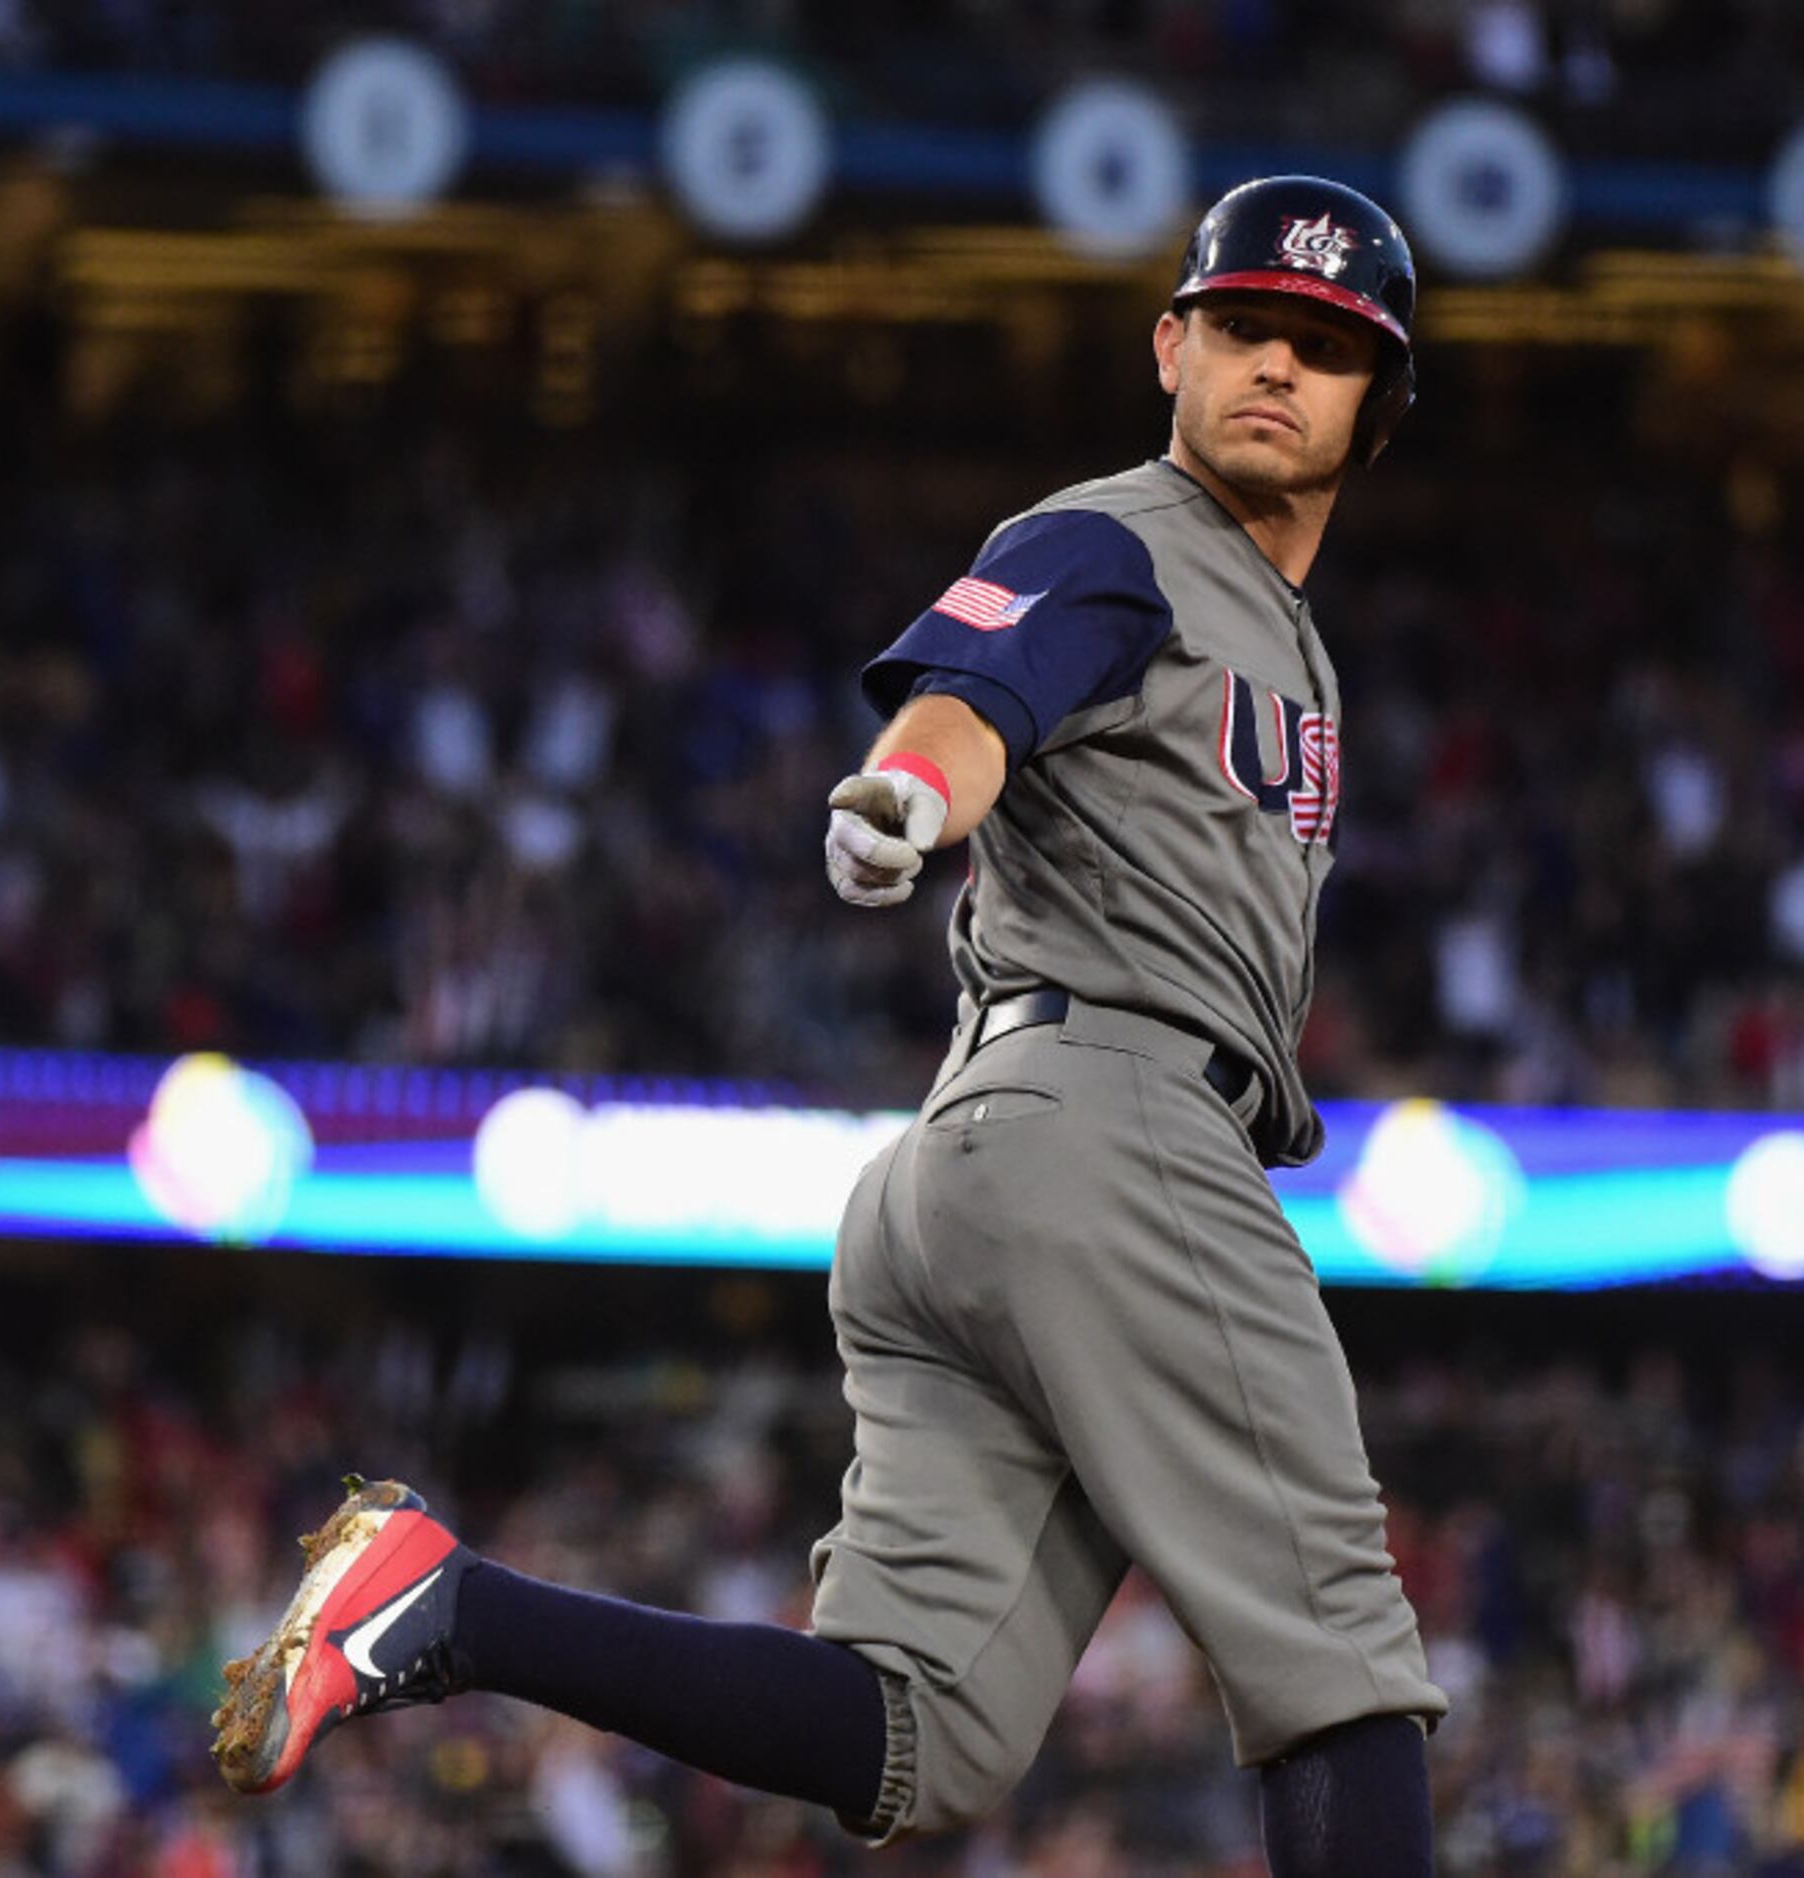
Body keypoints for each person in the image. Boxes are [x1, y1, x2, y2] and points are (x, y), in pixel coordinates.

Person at [208, 176, 1449, 1875]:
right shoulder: (1117, 538)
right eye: (1245, 326)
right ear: (1170, 344)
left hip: (983, 1169)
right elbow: (975, 704)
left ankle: (452, 1606)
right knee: (1344, 1671)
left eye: (1325, 347)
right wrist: (912, 797)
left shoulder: (1285, 637)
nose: (1277, 367)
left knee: (913, 1731)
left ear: (1378, 405)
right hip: (1116, 1126)